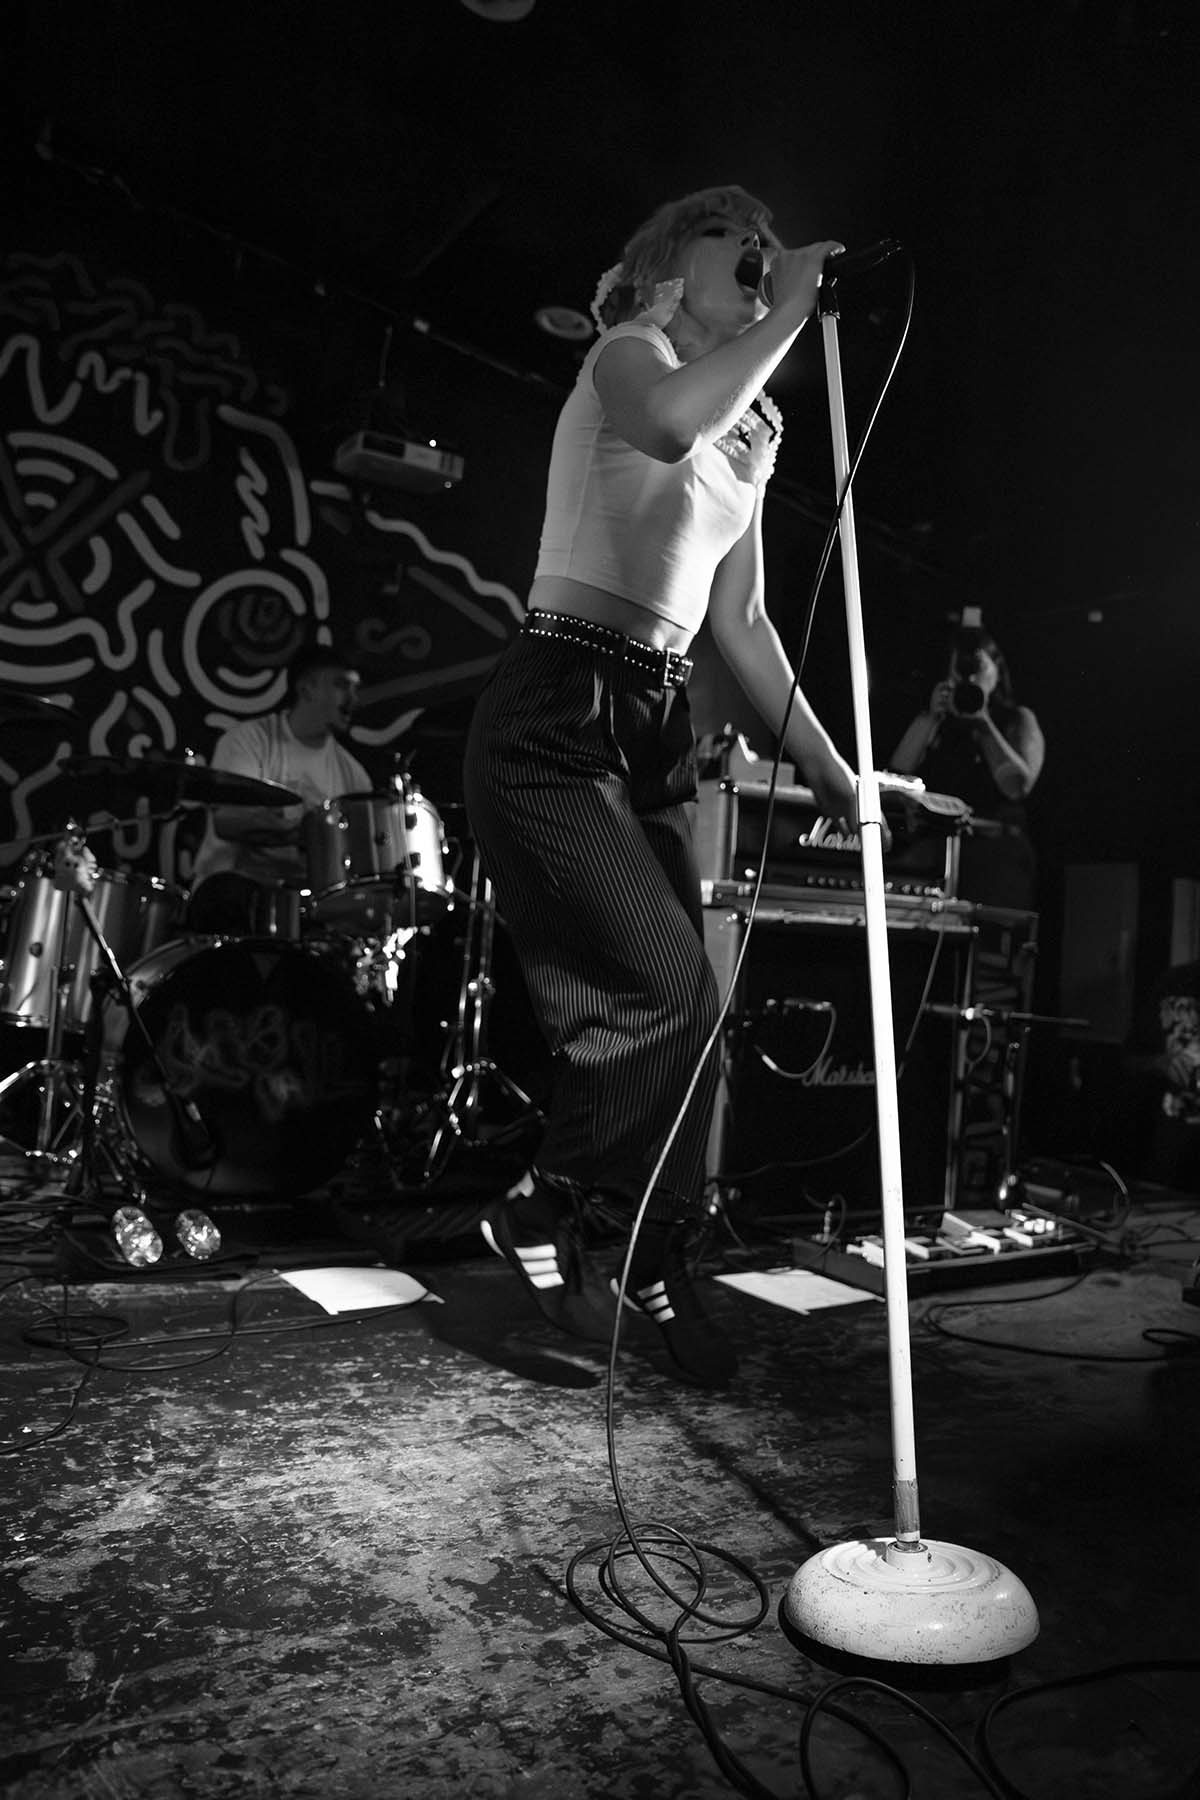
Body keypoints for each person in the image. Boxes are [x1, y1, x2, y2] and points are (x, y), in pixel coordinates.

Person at [462, 184, 864, 1386]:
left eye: (768, 239)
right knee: (668, 989)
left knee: (694, 1020)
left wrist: (836, 775)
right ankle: (554, 1206)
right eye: (733, 234)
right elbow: (669, 432)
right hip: (556, 706)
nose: (759, 248)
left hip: (651, 719)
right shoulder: (628, 356)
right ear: (667, 263)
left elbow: (743, 623)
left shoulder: (749, 425)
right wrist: (788, 311)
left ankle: (652, 1254)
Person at [188, 642, 371, 935]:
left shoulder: (354, 776)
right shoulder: (248, 742)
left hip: (305, 911)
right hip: (231, 898)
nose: (353, 698)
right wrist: (307, 832)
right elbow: (228, 822)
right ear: (306, 688)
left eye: (355, 688)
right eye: (341, 685)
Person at [888, 624, 1045, 911]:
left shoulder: (1016, 719)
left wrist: (983, 723)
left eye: (977, 667)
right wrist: (930, 718)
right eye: (961, 668)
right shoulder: (940, 720)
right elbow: (896, 776)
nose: (969, 677)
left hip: (995, 859)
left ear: (997, 670)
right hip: (938, 853)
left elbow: (1016, 787)